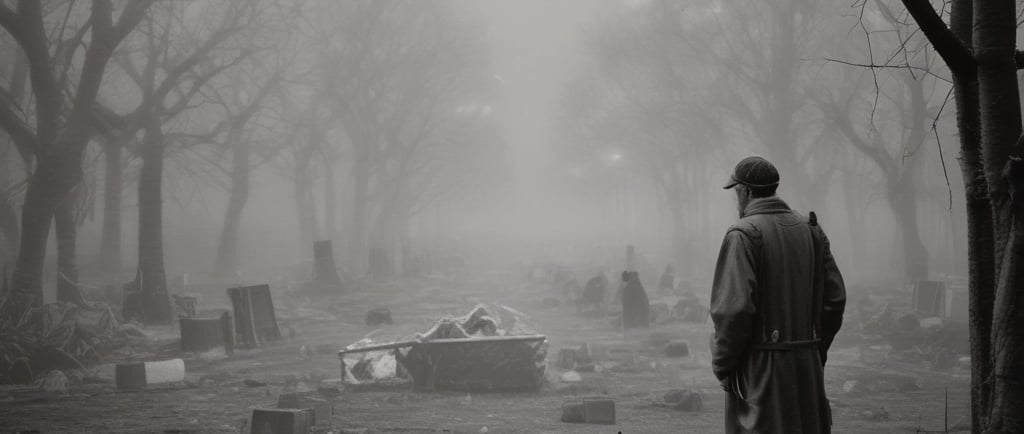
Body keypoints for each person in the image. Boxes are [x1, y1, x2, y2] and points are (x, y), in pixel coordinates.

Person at [710, 156, 846, 434]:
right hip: (807, 368)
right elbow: (834, 301)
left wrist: (723, 366)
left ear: (745, 191)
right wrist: (815, 351)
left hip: (760, 372)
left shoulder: (743, 234)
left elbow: (733, 311)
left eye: (736, 192)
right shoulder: (811, 230)